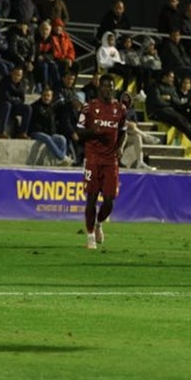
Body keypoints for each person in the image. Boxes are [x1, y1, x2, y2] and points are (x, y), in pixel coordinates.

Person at [76, 74, 127, 249]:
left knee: (109, 201)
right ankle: (90, 236)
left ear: (114, 88)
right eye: (105, 86)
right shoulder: (88, 108)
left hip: (110, 160)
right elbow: (79, 132)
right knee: (90, 198)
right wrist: (92, 131)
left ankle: (99, 223)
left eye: (111, 86)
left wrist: (120, 147)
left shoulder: (120, 109)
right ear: (100, 88)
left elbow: (123, 131)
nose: (108, 89)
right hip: (92, 158)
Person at [0, 65, 32, 139]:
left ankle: (22, 133)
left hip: (11, 107)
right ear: (11, 74)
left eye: (19, 75)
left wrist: (15, 100)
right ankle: (2, 132)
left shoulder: (21, 85)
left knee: (27, 108)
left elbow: (22, 99)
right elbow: (5, 98)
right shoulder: (4, 82)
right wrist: (16, 100)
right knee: (7, 105)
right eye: (15, 74)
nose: (16, 77)